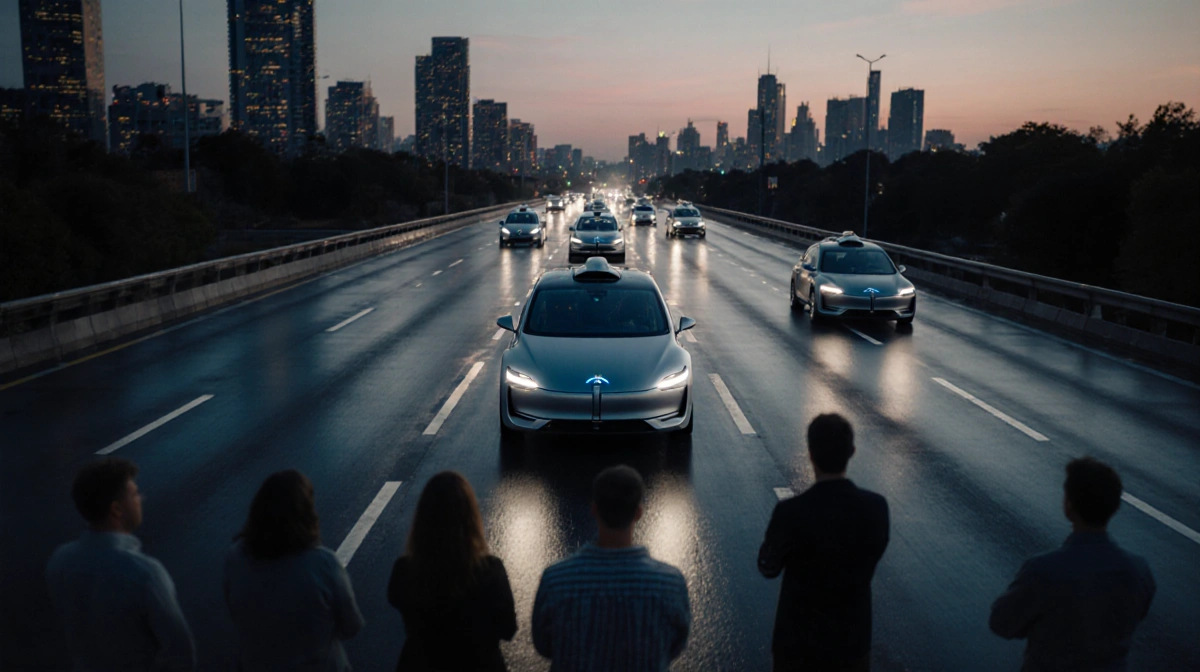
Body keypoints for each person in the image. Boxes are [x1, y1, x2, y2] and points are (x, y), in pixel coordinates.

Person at [990, 457, 1155, 671]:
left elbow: (1002, 624)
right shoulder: (1138, 571)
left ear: (1069, 506)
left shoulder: (1042, 570)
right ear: (1114, 506)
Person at [757, 413, 890, 672]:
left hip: (796, 646)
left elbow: (768, 567)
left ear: (810, 453)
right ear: (851, 451)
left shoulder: (790, 512)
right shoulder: (876, 508)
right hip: (851, 644)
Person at [532, 465, 691, 672]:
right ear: (639, 512)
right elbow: (675, 646)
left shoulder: (556, 579)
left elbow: (543, 645)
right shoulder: (670, 583)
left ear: (594, 509)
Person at [46, 458, 196, 671]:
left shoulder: (59, 561)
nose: (141, 499)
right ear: (116, 509)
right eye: (134, 494)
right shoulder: (144, 573)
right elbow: (180, 652)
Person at [224, 470, 364, 671]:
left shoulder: (235, 557)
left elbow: (234, 611)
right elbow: (352, 626)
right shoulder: (324, 563)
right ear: (307, 514)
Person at [387, 471, 517, 671]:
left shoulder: (404, 570)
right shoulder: (491, 571)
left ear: (422, 520)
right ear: (470, 519)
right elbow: (508, 629)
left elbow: (397, 600)